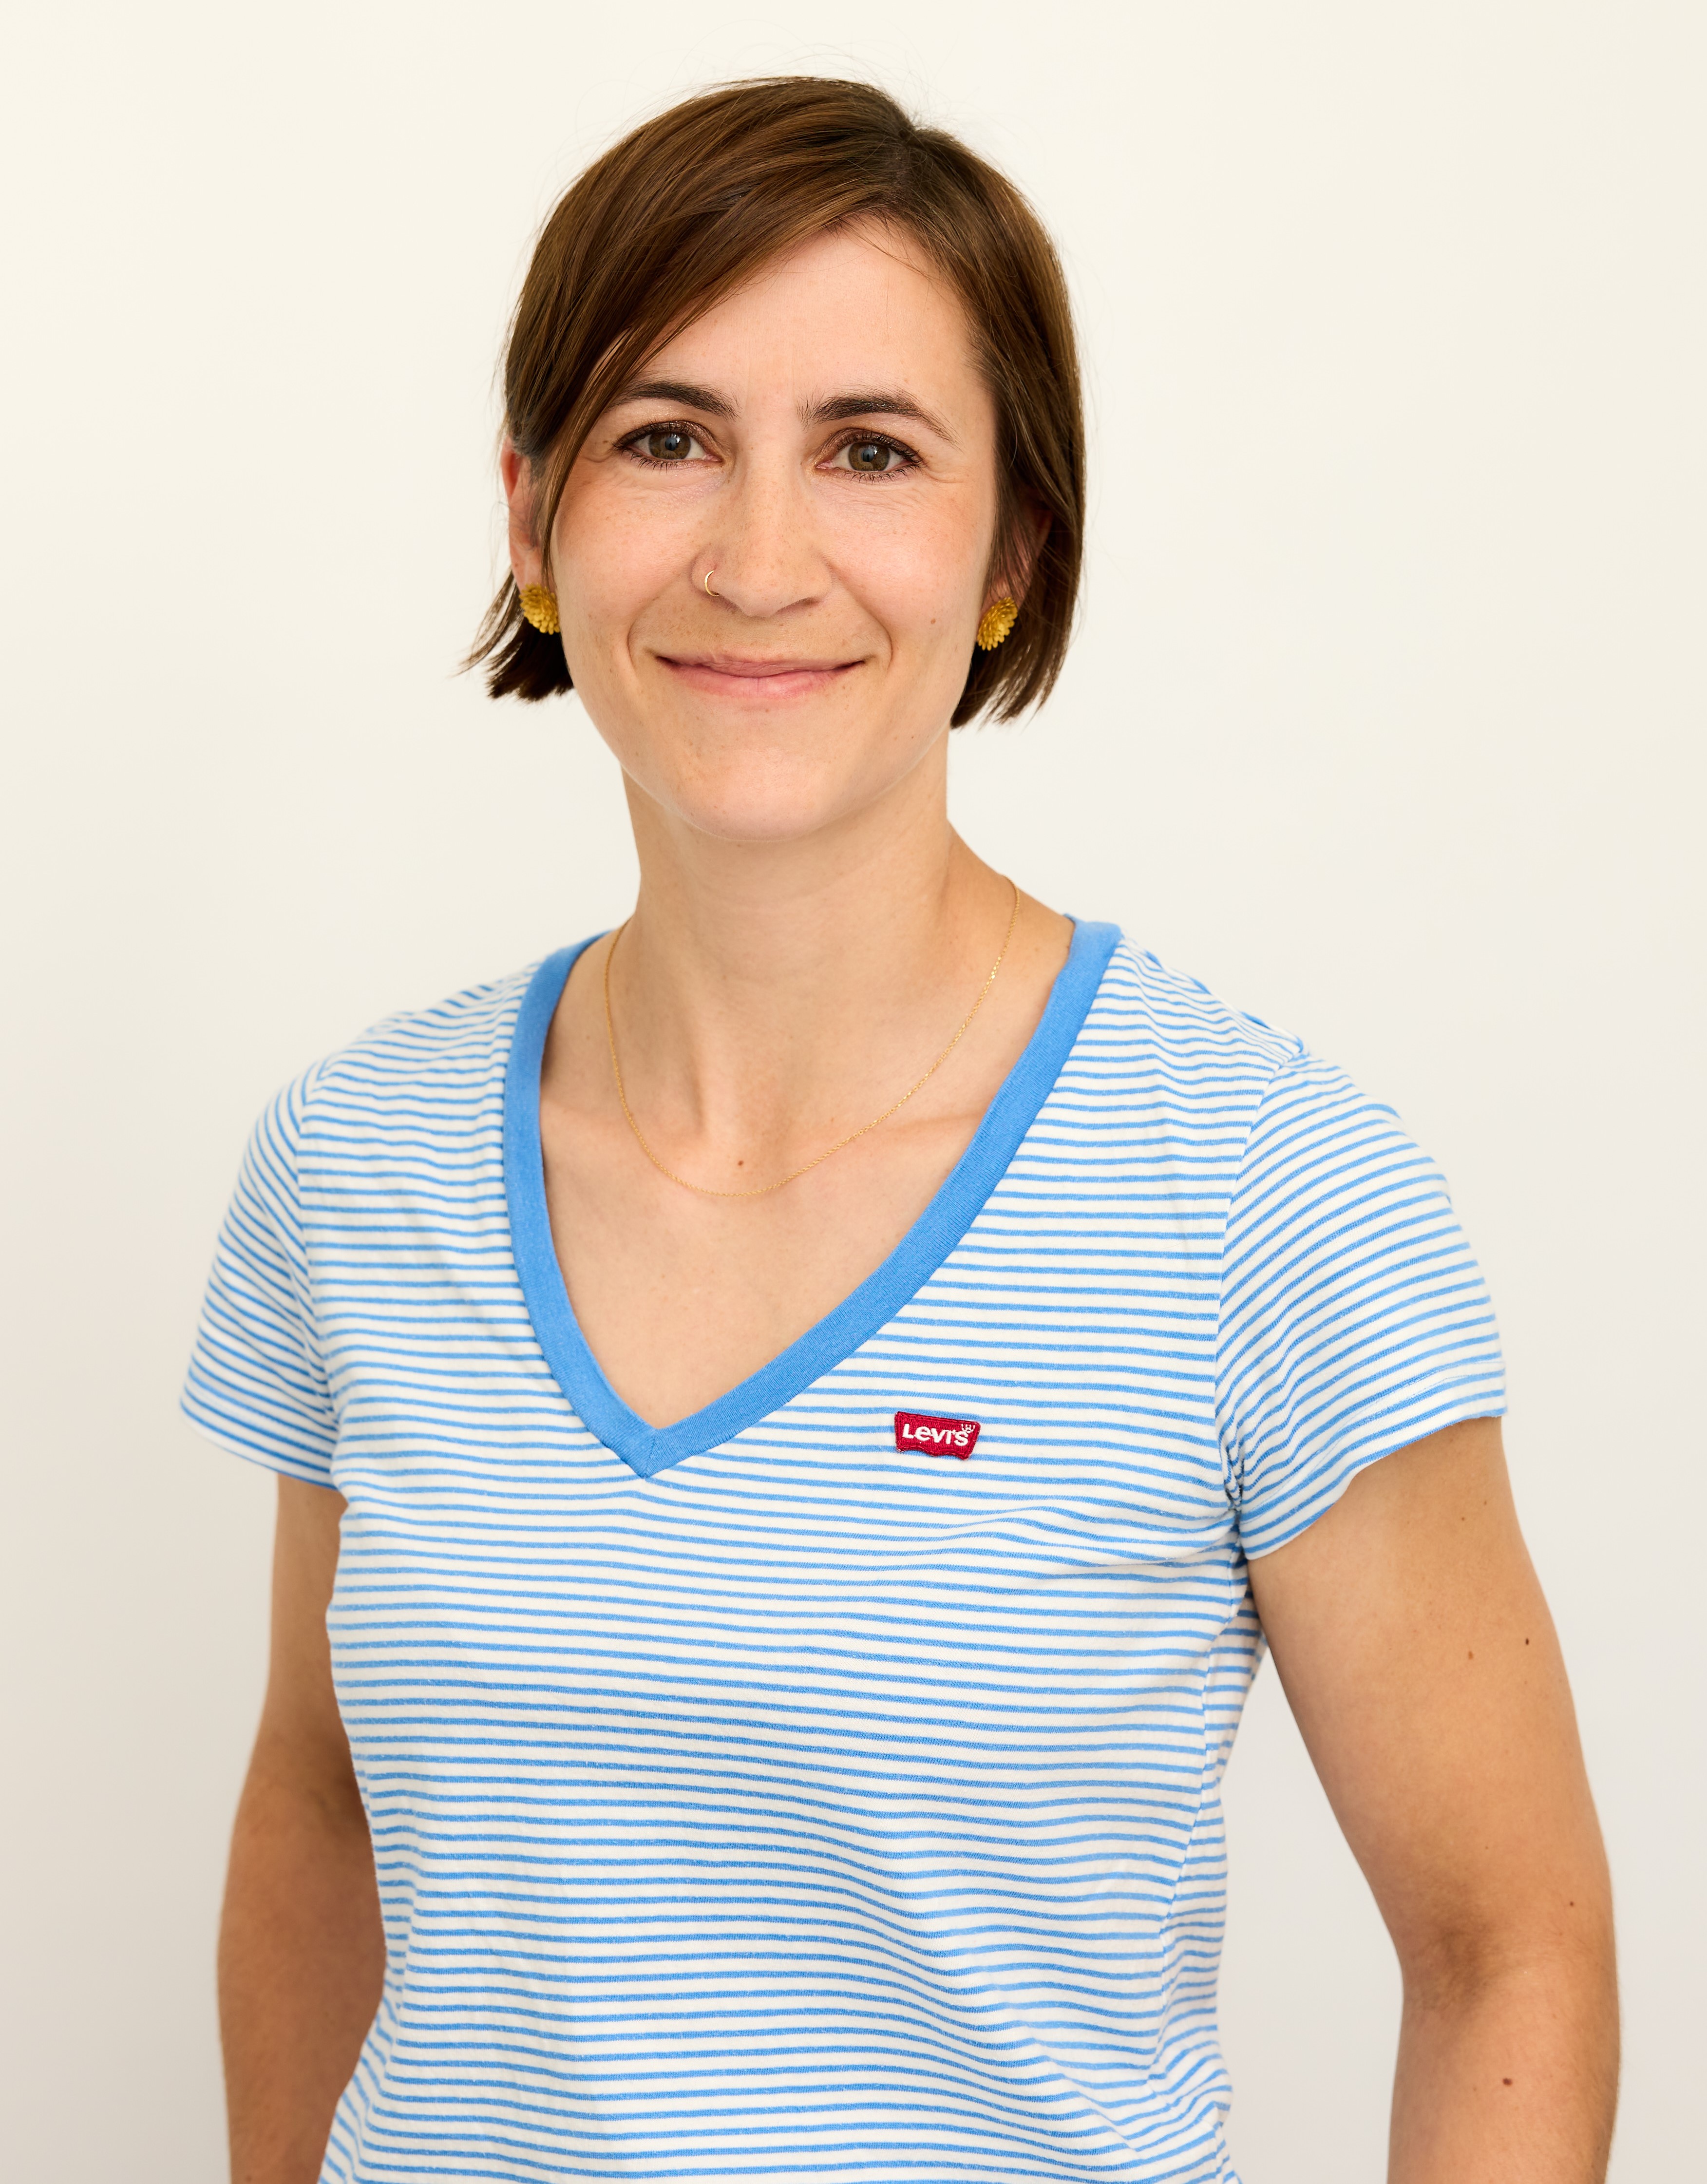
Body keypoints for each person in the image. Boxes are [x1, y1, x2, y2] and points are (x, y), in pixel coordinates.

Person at [186, 76, 1617, 2184]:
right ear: (533, 520)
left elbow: (1510, 1948)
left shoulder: (1262, 1189)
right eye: (665, 438)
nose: (759, 560)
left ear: (1014, 547)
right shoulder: (354, 1163)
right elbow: (321, 1813)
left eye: (871, 450)